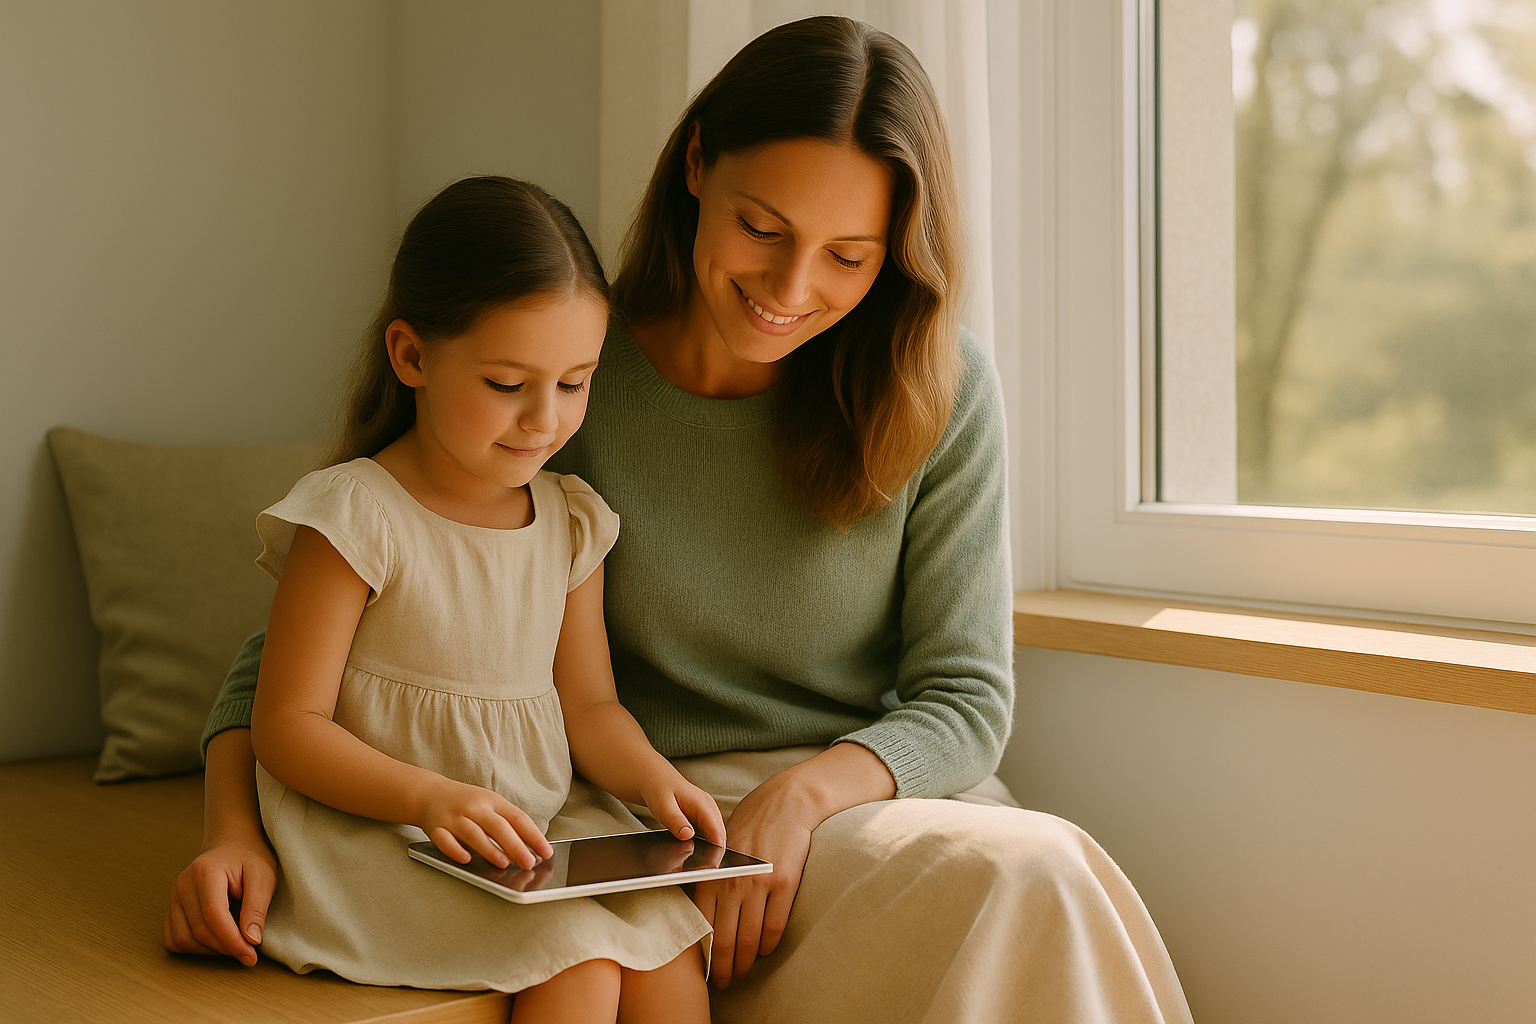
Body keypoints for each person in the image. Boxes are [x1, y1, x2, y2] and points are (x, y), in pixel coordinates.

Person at [166, 17, 1195, 1024]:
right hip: (649, 823)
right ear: (697, 164)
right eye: (763, 228)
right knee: (1030, 878)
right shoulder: (563, 376)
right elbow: (310, 647)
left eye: (850, 255)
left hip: (862, 803)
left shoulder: (941, 386)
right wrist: (232, 831)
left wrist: (798, 801)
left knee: (1040, 869)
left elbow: (964, 700)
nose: (791, 290)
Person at [228, 174, 721, 1024]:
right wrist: (428, 798)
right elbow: (286, 726)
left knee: (670, 955)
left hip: (528, 831)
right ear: (413, 356)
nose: (544, 418)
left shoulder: (570, 521)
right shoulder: (354, 513)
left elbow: (590, 706)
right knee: (581, 969)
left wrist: (654, 780)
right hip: (382, 833)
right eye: (506, 384)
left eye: (574, 383)